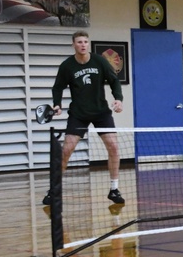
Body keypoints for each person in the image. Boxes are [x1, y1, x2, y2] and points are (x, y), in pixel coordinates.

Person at [43, 31, 125, 205]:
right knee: (65, 151)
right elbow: (57, 87)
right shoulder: (67, 66)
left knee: (114, 147)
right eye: (79, 42)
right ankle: (54, 190)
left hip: (101, 112)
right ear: (73, 44)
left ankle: (114, 189)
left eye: (86, 42)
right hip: (78, 114)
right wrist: (57, 104)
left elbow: (114, 81)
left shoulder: (100, 61)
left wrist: (118, 99)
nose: (83, 45)